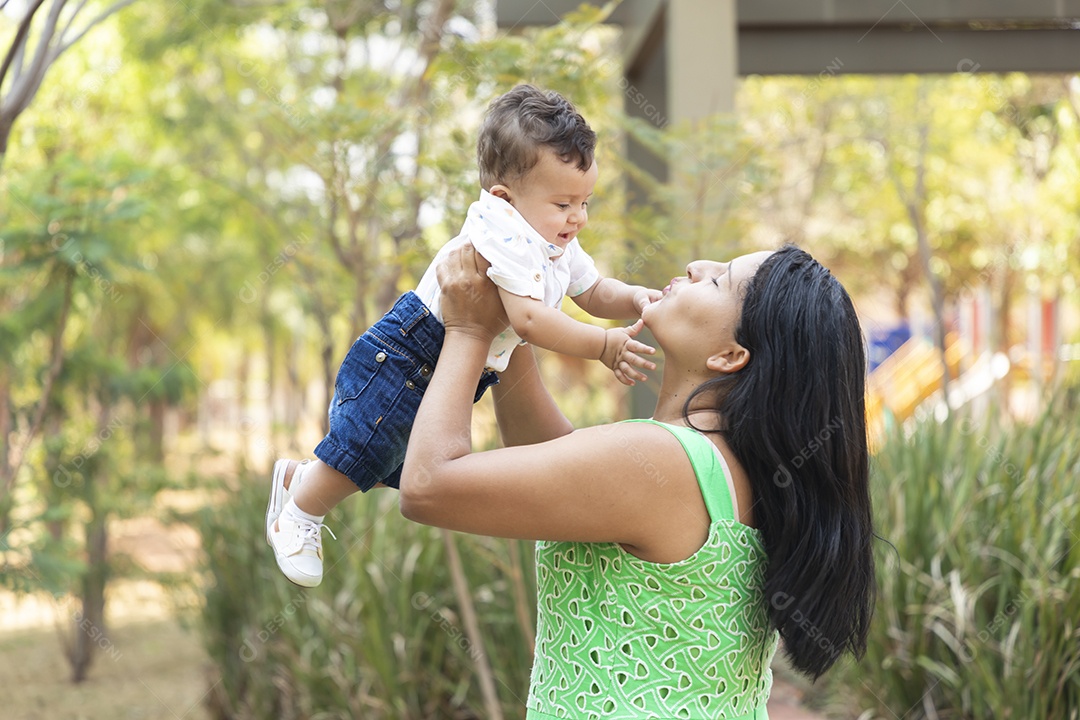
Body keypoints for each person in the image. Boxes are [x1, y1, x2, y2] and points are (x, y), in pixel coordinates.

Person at [399, 243, 876, 718]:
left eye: (718, 280)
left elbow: (428, 486)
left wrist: (469, 330)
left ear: (730, 355)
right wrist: (514, 317)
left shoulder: (660, 460)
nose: (695, 264)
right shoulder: (730, 466)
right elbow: (555, 464)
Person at [266, 85, 661, 587]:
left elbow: (594, 290)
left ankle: (299, 479)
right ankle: (299, 512)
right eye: (564, 203)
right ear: (504, 199)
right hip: (411, 350)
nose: (577, 217)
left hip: (457, 361)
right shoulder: (504, 231)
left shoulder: (552, 237)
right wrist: (603, 346)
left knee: (392, 457)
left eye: (585, 202)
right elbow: (529, 320)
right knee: (369, 445)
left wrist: (635, 298)